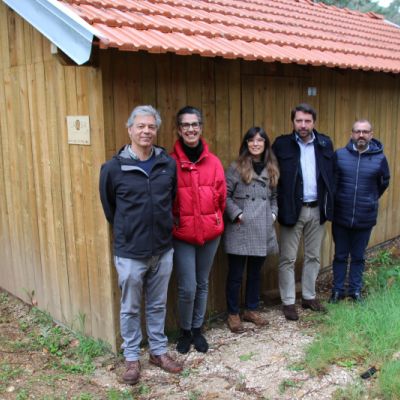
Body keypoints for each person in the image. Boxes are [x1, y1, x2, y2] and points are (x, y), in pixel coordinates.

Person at [99, 105, 182, 385]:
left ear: (156, 130)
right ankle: (132, 357)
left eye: (151, 127)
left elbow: (171, 199)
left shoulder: (167, 164)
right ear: (130, 129)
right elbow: (110, 208)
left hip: (162, 249)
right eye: (141, 126)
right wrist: (131, 231)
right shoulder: (113, 168)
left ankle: (158, 352)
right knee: (130, 307)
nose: (146, 131)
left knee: (158, 304)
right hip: (131, 253)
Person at [171, 106, 226, 354]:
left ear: (201, 128)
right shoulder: (170, 163)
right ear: (179, 129)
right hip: (182, 234)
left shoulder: (213, 162)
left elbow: (221, 197)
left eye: (195, 124)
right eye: (186, 125)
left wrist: (214, 219)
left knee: (202, 283)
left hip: (209, 234)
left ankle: (197, 329)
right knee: (188, 287)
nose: (191, 129)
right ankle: (184, 331)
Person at [272, 103, 334, 321]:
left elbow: (331, 175)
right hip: (292, 209)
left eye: (307, 121)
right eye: (299, 120)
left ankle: (309, 297)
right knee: (287, 258)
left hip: (317, 209)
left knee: (313, 256)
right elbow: (273, 175)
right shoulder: (281, 145)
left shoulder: (325, 143)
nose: (303, 125)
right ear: (293, 122)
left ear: (314, 122)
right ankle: (288, 301)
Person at [224, 127, 280, 333]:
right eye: (251, 140)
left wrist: (272, 215)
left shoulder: (272, 168)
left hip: (262, 227)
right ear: (246, 144)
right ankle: (233, 313)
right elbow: (224, 196)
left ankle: (251, 309)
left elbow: (275, 197)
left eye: (259, 140)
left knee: (255, 273)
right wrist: (238, 214)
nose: (255, 144)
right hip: (240, 227)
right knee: (236, 274)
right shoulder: (235, 168)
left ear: (265, 144)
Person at [329, 119, 390, 303]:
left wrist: (370, 199)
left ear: (371, 135)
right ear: (352, 134)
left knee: (358, 256)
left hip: (365, 217)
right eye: (357, 131)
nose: (361, 135)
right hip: (341, 215)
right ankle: (337, 291)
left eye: (365, 132)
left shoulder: (380, 158)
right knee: (340, 256)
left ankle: (355, 291)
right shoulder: (340, 155)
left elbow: (383, 182)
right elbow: (333, 183)